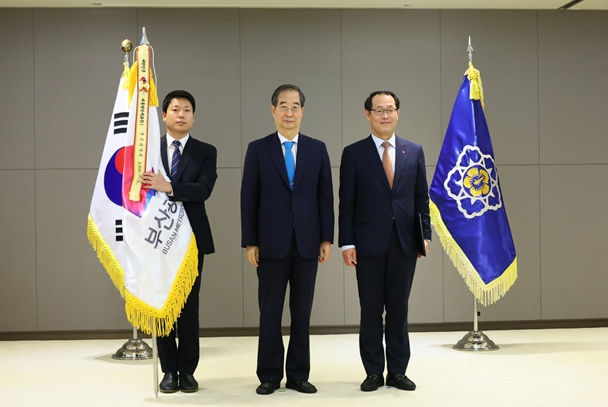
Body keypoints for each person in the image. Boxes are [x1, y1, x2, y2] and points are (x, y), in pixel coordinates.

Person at [241, 84, 334, 395]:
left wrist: (326, 238)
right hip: (270, 242)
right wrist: (250, 241)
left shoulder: (317, 149)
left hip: (308, 242)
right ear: (273, 110)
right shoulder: (258, 148)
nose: (289, 112)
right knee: (270, 312)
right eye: (283, 106)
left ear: (302, 111)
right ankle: (269, 375)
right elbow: (248, 197)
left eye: (295, 106)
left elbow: (325, 197)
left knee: (302, 313)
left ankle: (298, 374)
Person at [338, 90, 430, 392]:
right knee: (370, 310)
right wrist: (347, 243)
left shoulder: (413, 151)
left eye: (390, 109)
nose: (385, 115)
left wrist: (424, 235)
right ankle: (374, 372)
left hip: (405, 241)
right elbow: (346, 202)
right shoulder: (353, 153)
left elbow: (421, 197)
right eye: (379, 110)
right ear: (368, 115)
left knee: (399, 309)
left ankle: (398, 371)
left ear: (398, 113)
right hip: (367, 243)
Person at [142, 90, 217, 393]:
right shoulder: (149, 150)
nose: (181, 114)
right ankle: (168, 370)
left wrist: (169, 186)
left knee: (188, 306)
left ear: (193, 117)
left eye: (187, 110)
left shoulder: (205, 151)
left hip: (191, 239)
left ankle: (187, 371)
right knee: (162, 304)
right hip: (157, 238)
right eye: (175, 109)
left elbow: (203, 190)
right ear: (164, 115)